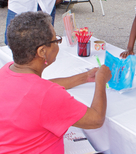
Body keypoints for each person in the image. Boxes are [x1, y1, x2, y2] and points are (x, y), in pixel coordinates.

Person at [0, 11, 112, 153]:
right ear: (42, 52)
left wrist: (84, 77)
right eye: (56, 41)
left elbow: (40, 87)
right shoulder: (47, 95)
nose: (58, 44)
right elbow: (96, 119)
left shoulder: (7, 70)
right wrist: (101, 81)